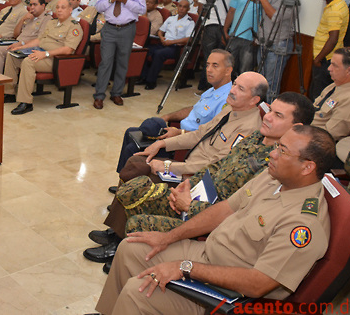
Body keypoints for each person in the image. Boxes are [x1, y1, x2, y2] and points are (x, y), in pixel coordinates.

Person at [94, 124, 334, 315]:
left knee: (138, 292)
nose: (272, 153)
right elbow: (224, 210)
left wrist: (184, 267)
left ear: (307, 168)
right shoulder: (273, 177)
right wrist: (168, 237)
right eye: (277, 146)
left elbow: (257, 284)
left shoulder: (303, 224)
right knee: (131, 247)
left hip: (228, 292)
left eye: (282, 151)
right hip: (207, 253)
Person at [88, 92, 315, 271]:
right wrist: (188, 186)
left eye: (278, 115)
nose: (267, 116)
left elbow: (237, 210)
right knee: (135, 186)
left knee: (139, 210)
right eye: (270, 110)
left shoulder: (277, 166)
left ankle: (123, 253)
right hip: (196, 192)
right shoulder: (256, 137)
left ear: (296, 128)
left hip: (208, 216)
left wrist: (190, 203)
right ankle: (116, 237)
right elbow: (218, 165)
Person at [114, 50, 233, 175]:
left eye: (215, 66)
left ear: (228, 70)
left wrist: (179, 133)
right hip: (176, 133)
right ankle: (123, 182)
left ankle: (127, 185)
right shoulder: (212, 90)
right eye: (207, 65)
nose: (208, 70)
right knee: (131, 132)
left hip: (184, 147)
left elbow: (211, 135)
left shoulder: (227, 100)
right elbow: (193, 110)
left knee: (133, 148)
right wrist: (167, 116)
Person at [4, 0, 83, 115]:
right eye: (57, 7)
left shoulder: (74, 27)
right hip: (40, 52)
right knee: (12, 56)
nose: (59, 10)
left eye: (63, 7)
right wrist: (20, 48)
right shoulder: (52, 23)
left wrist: (45, 54)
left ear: (70, 10)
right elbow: (39, 40)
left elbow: (68, 50)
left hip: (56, 60)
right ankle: (9, 93)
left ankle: (26, 102)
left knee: (28, 61)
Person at [93, 0, 147, 109]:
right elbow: (99, 7)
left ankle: (117, 93)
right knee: (106, 62)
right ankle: (99, 95)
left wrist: (126, 1)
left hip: (127, 29)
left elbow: (142, 9)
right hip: (109, 28)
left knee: (123, 62)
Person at [250, 0, 294, 102]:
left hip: (278, 44)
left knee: (270, 83)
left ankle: (269, 111)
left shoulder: (292, 0)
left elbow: (275, 17)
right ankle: (260, 109)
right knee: (261, 80)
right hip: (263, 41)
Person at [139, 0, 195, 90]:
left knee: (158, 54)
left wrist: (171, 42)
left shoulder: (190, 22)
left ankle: (151, 81)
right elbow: (161, 31)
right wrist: (161, 38)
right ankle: (143, 77)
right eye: (180, 6)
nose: (181, 9)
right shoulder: (171, 18)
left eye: (184, 7)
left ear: (188, 9)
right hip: (164, 43)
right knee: (145, 50)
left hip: (175, 47)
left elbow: (189, 39)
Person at [196, 0, 237, 90]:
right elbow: (233, 9)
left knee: (209, 58)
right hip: (227, 27)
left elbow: (200, 10)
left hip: (210, 25)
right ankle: (222, 87)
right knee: (223, 60)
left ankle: (205, 86)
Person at [310, 0, 350, 100]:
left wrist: (318, 59)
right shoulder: (339, 4)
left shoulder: (335, 10)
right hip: (329, 57)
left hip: (325, 60)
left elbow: (333, 39)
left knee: (318, 96)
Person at [311, 47, 350, 141]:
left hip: (315, 141)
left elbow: (330, 134)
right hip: (306, 127)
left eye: (334, 65)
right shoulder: (334, 86)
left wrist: (300, 132)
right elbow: (314, 109)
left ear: (348, 71)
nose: (329, 69)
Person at [0, 0, 50, 75]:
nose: (32, 7)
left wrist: (22, 43)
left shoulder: (47, 19)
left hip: (29, 47)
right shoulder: (29, 16)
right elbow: (16, 34)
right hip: (17, 42)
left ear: (43, 6)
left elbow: (39, 40)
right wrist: (22, 19)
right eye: (30, 5)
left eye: (35, 4)